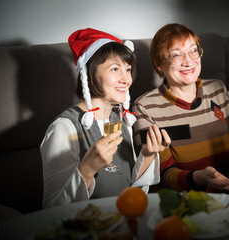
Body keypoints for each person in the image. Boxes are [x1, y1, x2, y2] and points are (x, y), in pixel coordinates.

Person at [132, 23, 229, 199]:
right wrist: (202, 177)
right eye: (176, 54)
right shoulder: (145, 107)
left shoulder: (218, 89)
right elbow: (164, 176)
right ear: (159, 63)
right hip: (186, 196)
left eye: (193, 51)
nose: (188, 61)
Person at [40, 28, 171, 208]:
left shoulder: (121, 120)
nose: (126, 79)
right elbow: (52, 211)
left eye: (128, 69)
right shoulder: (63, 128)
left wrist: (147, 155)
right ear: (90, 73)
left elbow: (132, 192)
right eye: (115, 69)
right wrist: (87, 170)